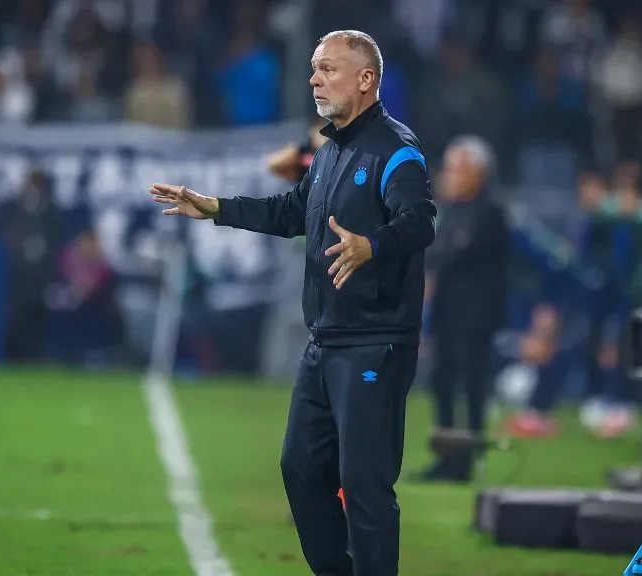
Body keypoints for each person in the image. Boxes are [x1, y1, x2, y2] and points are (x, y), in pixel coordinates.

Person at [148, 29, 436, 576]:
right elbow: (288, 213)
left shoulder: (397, 150)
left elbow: (419, 221)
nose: (314, 79)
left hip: (374, 342)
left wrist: (372, 245)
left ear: (366, 79)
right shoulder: (328, 152)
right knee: (300, 467)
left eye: (327, 68)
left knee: (365, 483)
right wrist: (215, 208)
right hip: (324, 341)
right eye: (314, 68)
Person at [420, 136, 509, 482]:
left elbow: (451, 252)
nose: (449, 175)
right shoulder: (453, 210)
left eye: (457, 168)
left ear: (477, 173)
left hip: (475, 316)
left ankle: (467, 461)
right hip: (447, 312)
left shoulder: (490, 211)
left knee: (471, 387)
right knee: (441, 383)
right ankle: (446, 458)